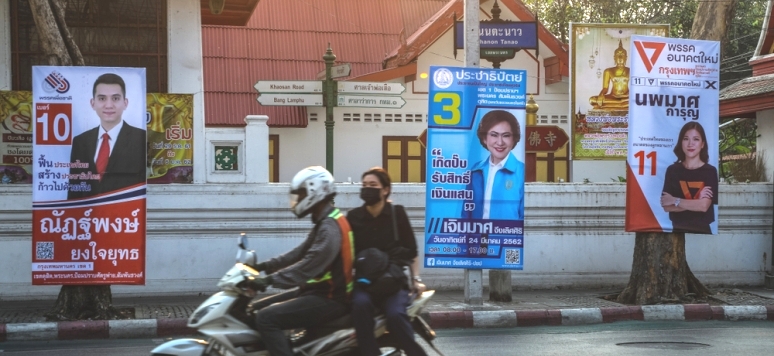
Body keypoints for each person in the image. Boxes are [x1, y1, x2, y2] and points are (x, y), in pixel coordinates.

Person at [246, 166, 355, 356]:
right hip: (317, 291)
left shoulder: (330, 227)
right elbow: (299, 253)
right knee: (254, 308)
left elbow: (307, 266)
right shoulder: (327, 220)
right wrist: (263, 267)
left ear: (315, 191)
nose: (298, 199)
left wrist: (268, 281)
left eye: (302, 193)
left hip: (330, 298)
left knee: (266, 318)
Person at [347, 167, 427, 356]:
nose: (368, 189)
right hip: (364, 283)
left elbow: (412, 251)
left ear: (385, 190)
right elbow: (346, 253)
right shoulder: (353, 217)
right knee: (359, 307)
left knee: (396, 315)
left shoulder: (396, 214)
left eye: (373, 185)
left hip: (393, 282)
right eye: (365, 185)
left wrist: (416, 279)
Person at [68, 73, 146, 199]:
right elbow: (74, 189)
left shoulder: (141, 139)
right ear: (93, 103)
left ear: (125, 103)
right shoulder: (80, 142)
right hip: (88, 215)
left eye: (115, 98)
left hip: (126, 216)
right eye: (102, 98)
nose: (109, 105)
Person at [463, 110, 525, 220]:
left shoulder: (521, 171)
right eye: (494, 135)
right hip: (476, 236)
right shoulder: (475, 170)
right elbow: (466, 213)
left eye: (506, 136)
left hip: (506, 236)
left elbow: (523, 217)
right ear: (484, 138)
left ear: (514, 138)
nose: (500, 142)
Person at [660, 122, 718, 234]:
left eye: (696, 139)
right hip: (677, 232)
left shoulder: (710, 171)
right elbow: (667, 206)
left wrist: (675, 201)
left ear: (702, 144)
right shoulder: (672, 170)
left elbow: (703, 206)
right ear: (681, 142)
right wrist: (696, 201)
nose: (690, 144)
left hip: (703, 234)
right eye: (686, 139)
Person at [589, 39, 630, 110]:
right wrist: (601, 95)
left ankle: (622, 103)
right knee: (592, 100)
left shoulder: (631, 70)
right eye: (618, 54)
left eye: (622, 54)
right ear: (614, 57)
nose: (620, 57)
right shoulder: (608, 71)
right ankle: (622, 105)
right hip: (613, 97)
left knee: (637, 100)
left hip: (627, 97)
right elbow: (605, 88)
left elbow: (635, 88)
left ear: (626, 57)